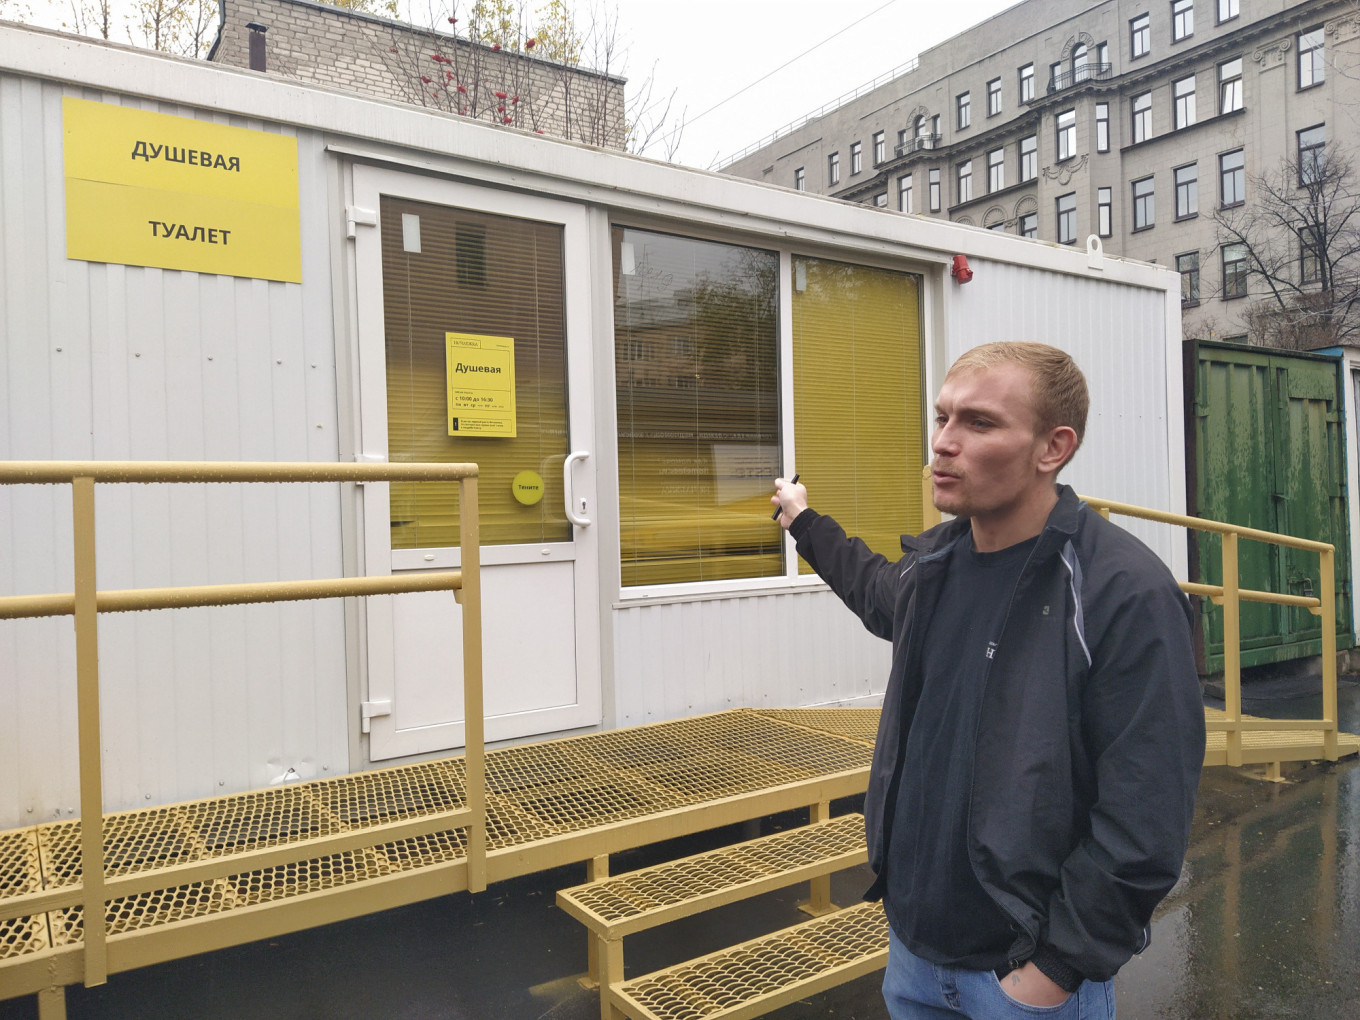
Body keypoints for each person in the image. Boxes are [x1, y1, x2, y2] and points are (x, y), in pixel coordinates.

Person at [770, 342, 1205, 1019]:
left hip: (1025, 981)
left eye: (978, 423)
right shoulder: (933, 569)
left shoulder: (1123, 593)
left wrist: (1055, 971)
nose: (943, 444)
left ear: (1051, 448)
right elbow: (871, 586)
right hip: (915, 958)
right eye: (942, 419)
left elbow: (1145, 814)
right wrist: (802, 521)